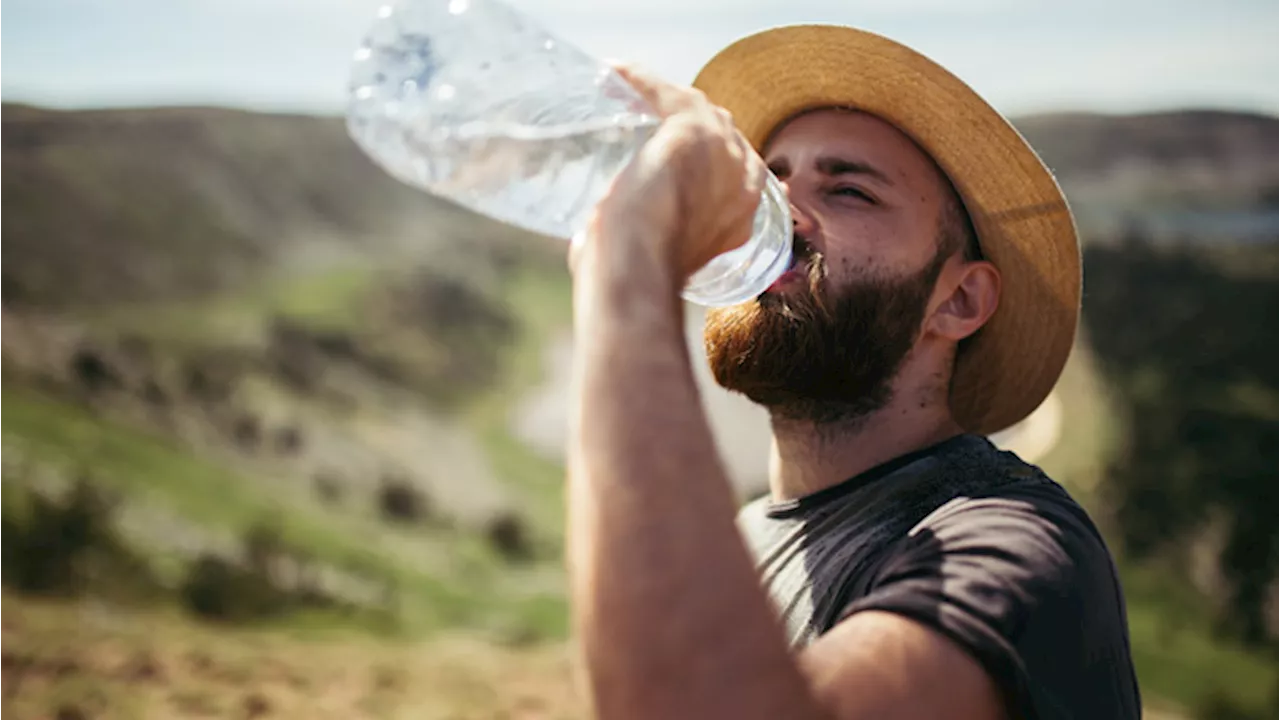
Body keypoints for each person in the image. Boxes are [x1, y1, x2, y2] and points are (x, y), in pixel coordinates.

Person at [563, 24, 1142, 720]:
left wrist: (626, 269)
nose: (776, 215)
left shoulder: (1016, 548)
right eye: (769, 179)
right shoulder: (743, 541)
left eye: (848, 192)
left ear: (957, 300)